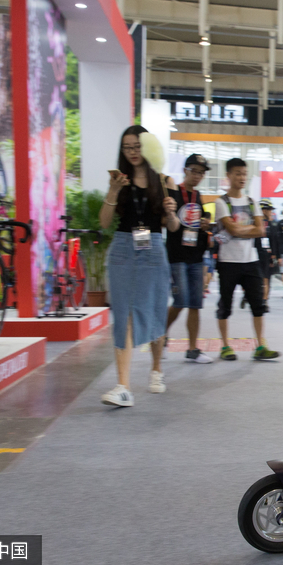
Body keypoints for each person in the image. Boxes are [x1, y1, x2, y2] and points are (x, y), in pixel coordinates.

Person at [99, 125, 179, 407]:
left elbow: (174, 226)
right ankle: (123, 386)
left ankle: (156, 369)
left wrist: (171, 212)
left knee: (155, 310)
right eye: (126, 147)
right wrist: (112, 190)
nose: (132, 152)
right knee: (124, 314)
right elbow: (105, 222)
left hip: (153, 248)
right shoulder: (119, 180)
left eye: (136, 146)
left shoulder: (163, 179)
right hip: (122, 248)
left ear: (146, 147)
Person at [214, 158, 280, 361]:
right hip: (227, 262)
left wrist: (240, 230)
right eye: (237, 173)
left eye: (244, 173)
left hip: (250, 261)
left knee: (258, 304)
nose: (241, 177)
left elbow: (260, 230)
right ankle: (225, 346)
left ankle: (260, 345)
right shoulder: (221, 202)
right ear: (228, 176)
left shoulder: (252, 202)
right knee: (225, 304)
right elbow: (230, 228)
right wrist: (246, 230)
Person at [165, 153, 213, 364]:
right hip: (177, 256)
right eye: (195, 171)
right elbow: (168, 220)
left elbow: (198, 225)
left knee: (195, 303)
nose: (198, 176)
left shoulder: (199, 197)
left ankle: (193, 349)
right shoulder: (174, 192)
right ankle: (160, 334)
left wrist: (204, 227)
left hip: (196, 256)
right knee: (181, 301)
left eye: (201, 173)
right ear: (185, 170)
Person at [254, 198, 280, 312]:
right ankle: (251, 297)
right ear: (263, 210)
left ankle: (264, 301)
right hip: (255, 254)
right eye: (269, 210)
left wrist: (276, 255)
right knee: (255, 279)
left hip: (267, 255)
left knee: (266, 278)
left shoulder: (272, 224)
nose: (271, 212)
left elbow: (275, 240)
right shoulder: (255, 223)